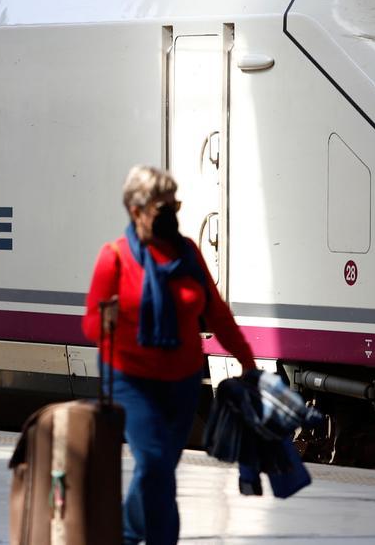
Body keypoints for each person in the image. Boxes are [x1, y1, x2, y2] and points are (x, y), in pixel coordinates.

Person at [82, 165, 256, 545]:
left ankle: (126, 533)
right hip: (132, 382)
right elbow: (91, 326)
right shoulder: (113, 258)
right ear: (136, 210)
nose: (171, 216)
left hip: (181, 383)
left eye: (174, 206)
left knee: (156, 470)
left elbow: (216, 312)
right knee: (156, 466)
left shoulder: (188, 253)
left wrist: (245, 358)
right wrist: (107, 320)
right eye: (162, 209)